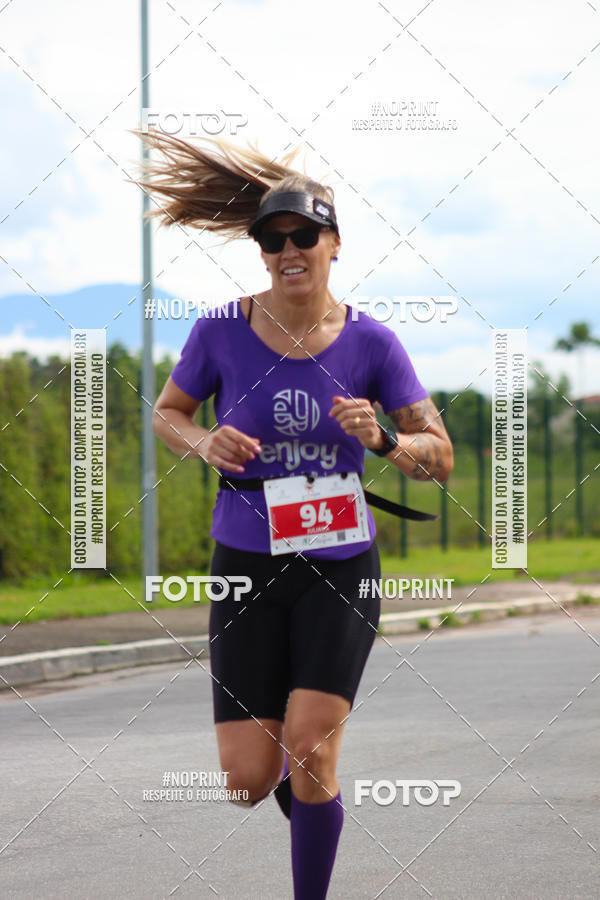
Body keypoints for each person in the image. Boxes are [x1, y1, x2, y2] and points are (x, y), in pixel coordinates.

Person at [138, 130, 454, 899]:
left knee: (312, 747)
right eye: (273, 239)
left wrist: (382, 438)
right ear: (262, 250)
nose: (289, 250)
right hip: (245, 564)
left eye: (303, 236)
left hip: (340, 565)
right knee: (250, 779)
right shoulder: (218, 331)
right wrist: (204, 439)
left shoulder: (373, 342)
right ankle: (316, 804)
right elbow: (167, 413)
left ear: (333, 245)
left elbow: (437, 453)